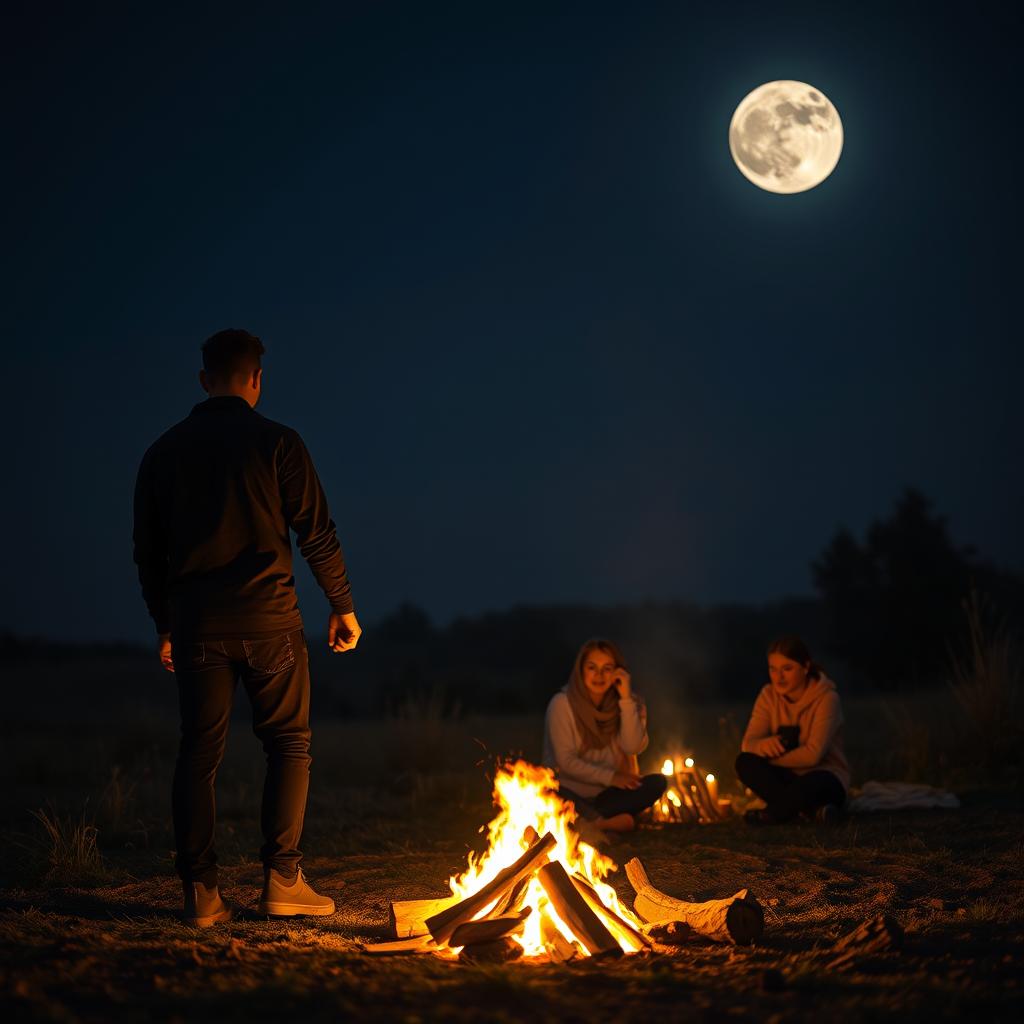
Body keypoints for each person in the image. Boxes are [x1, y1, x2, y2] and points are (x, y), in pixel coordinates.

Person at [133, 328, 362, 926]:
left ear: (205, 379)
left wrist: (165, 624)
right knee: (288, 745)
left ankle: (201, 894)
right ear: (256, 379)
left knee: (198, 753)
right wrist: (341, 603)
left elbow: (147, 552)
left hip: (197, 626)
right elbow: (316, 530)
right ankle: (283, 879)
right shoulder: (279, 443)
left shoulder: (162, 452)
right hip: (269, 623)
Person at [542, 638, 666, 832]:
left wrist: (625, 699)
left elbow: (632, 746)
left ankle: (588, 820)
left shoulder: (630, 705)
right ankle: (600, 823)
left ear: (618, 672)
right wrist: (611, 777)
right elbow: (565, 761)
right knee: (546, 790)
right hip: (567, 790)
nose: (599, 675)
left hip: (606, 796)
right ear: (581, 670)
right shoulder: (562, 704)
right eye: (592, 667)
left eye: (607, 668)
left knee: (657, 782)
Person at [736, 635, 849, 826]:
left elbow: (813, 755)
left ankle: (772, 814)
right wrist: (763, 745)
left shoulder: (827, 698)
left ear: (805, 667)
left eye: (787, 669)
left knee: (812, 783)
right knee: (744, 762)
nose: (778, 677)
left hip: (824, 776)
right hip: (787, 779)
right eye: (773, 669)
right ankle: (813, 812)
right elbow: (748, 744)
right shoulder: (768, 695)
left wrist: (769, 759)